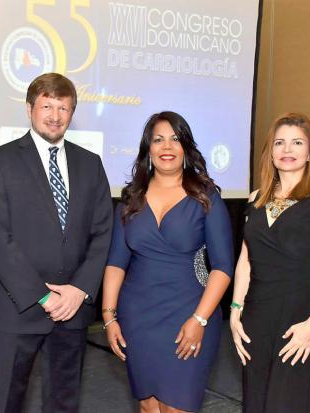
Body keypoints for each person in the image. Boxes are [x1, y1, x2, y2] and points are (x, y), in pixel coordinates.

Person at [0, 73, 113, 413]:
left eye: (63, 108)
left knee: (63, 404)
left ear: (72, 113)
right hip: (17, 308)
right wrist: (42, 295)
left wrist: (79, 290)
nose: (55, 116)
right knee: (3, 403)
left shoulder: (90, 164)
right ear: (30, 109)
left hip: (72, 311)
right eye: (47, 106)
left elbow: (102, 232)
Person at [102, 111, 234, 413]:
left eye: (175, 139)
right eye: (158, 139)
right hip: (138, 317)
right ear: (148, 149)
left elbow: (223, 267)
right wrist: (109, 317)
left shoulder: (205, 197)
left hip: (190, 312)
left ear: (185, 147)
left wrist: (199, 319)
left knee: (177, 406)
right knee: (148, 406)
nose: (167, 147)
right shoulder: (131, 200)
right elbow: (115, 263)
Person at [229, 112, 310, 412]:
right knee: (256, 401)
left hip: (299, 318)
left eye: (297, 142)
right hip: (255, 317)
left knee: (289, 402)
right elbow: (245, 262)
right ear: (270, 152)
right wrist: (235, 312)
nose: (287, 149)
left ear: (309, 152)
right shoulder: (255, 199)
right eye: (279, 143)